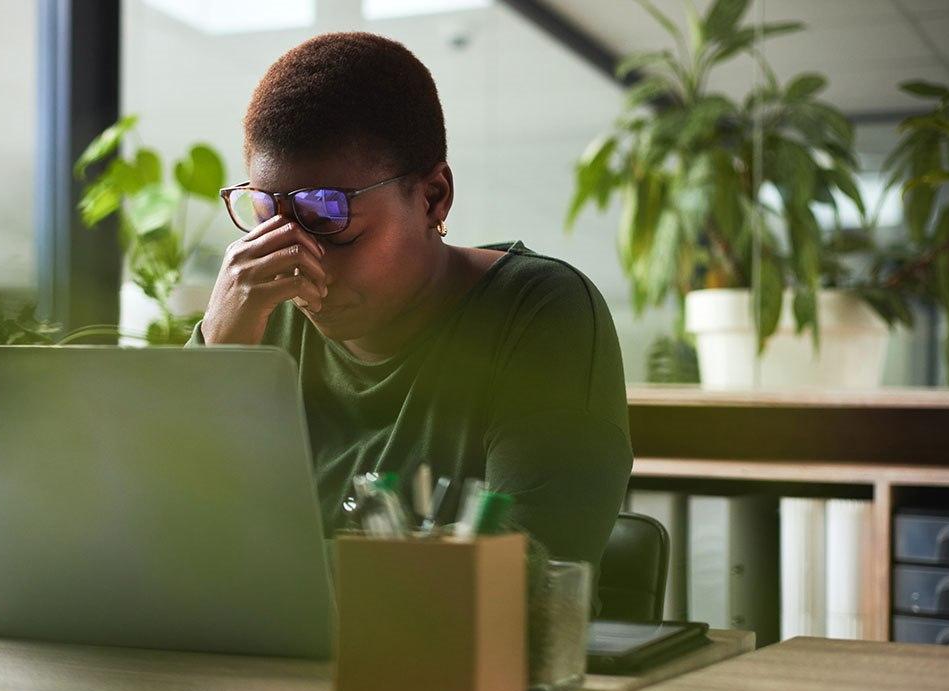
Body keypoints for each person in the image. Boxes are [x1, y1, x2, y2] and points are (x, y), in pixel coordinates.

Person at [189, 32, 631, 571]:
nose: (296, 257)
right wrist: (218, 352)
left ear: (431, 198)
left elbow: (527, 571)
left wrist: (247, 564)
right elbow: (155, 536)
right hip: (269, 653)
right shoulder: (263, 314)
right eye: (264, 213)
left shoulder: (539, 313)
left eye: (328, 215)